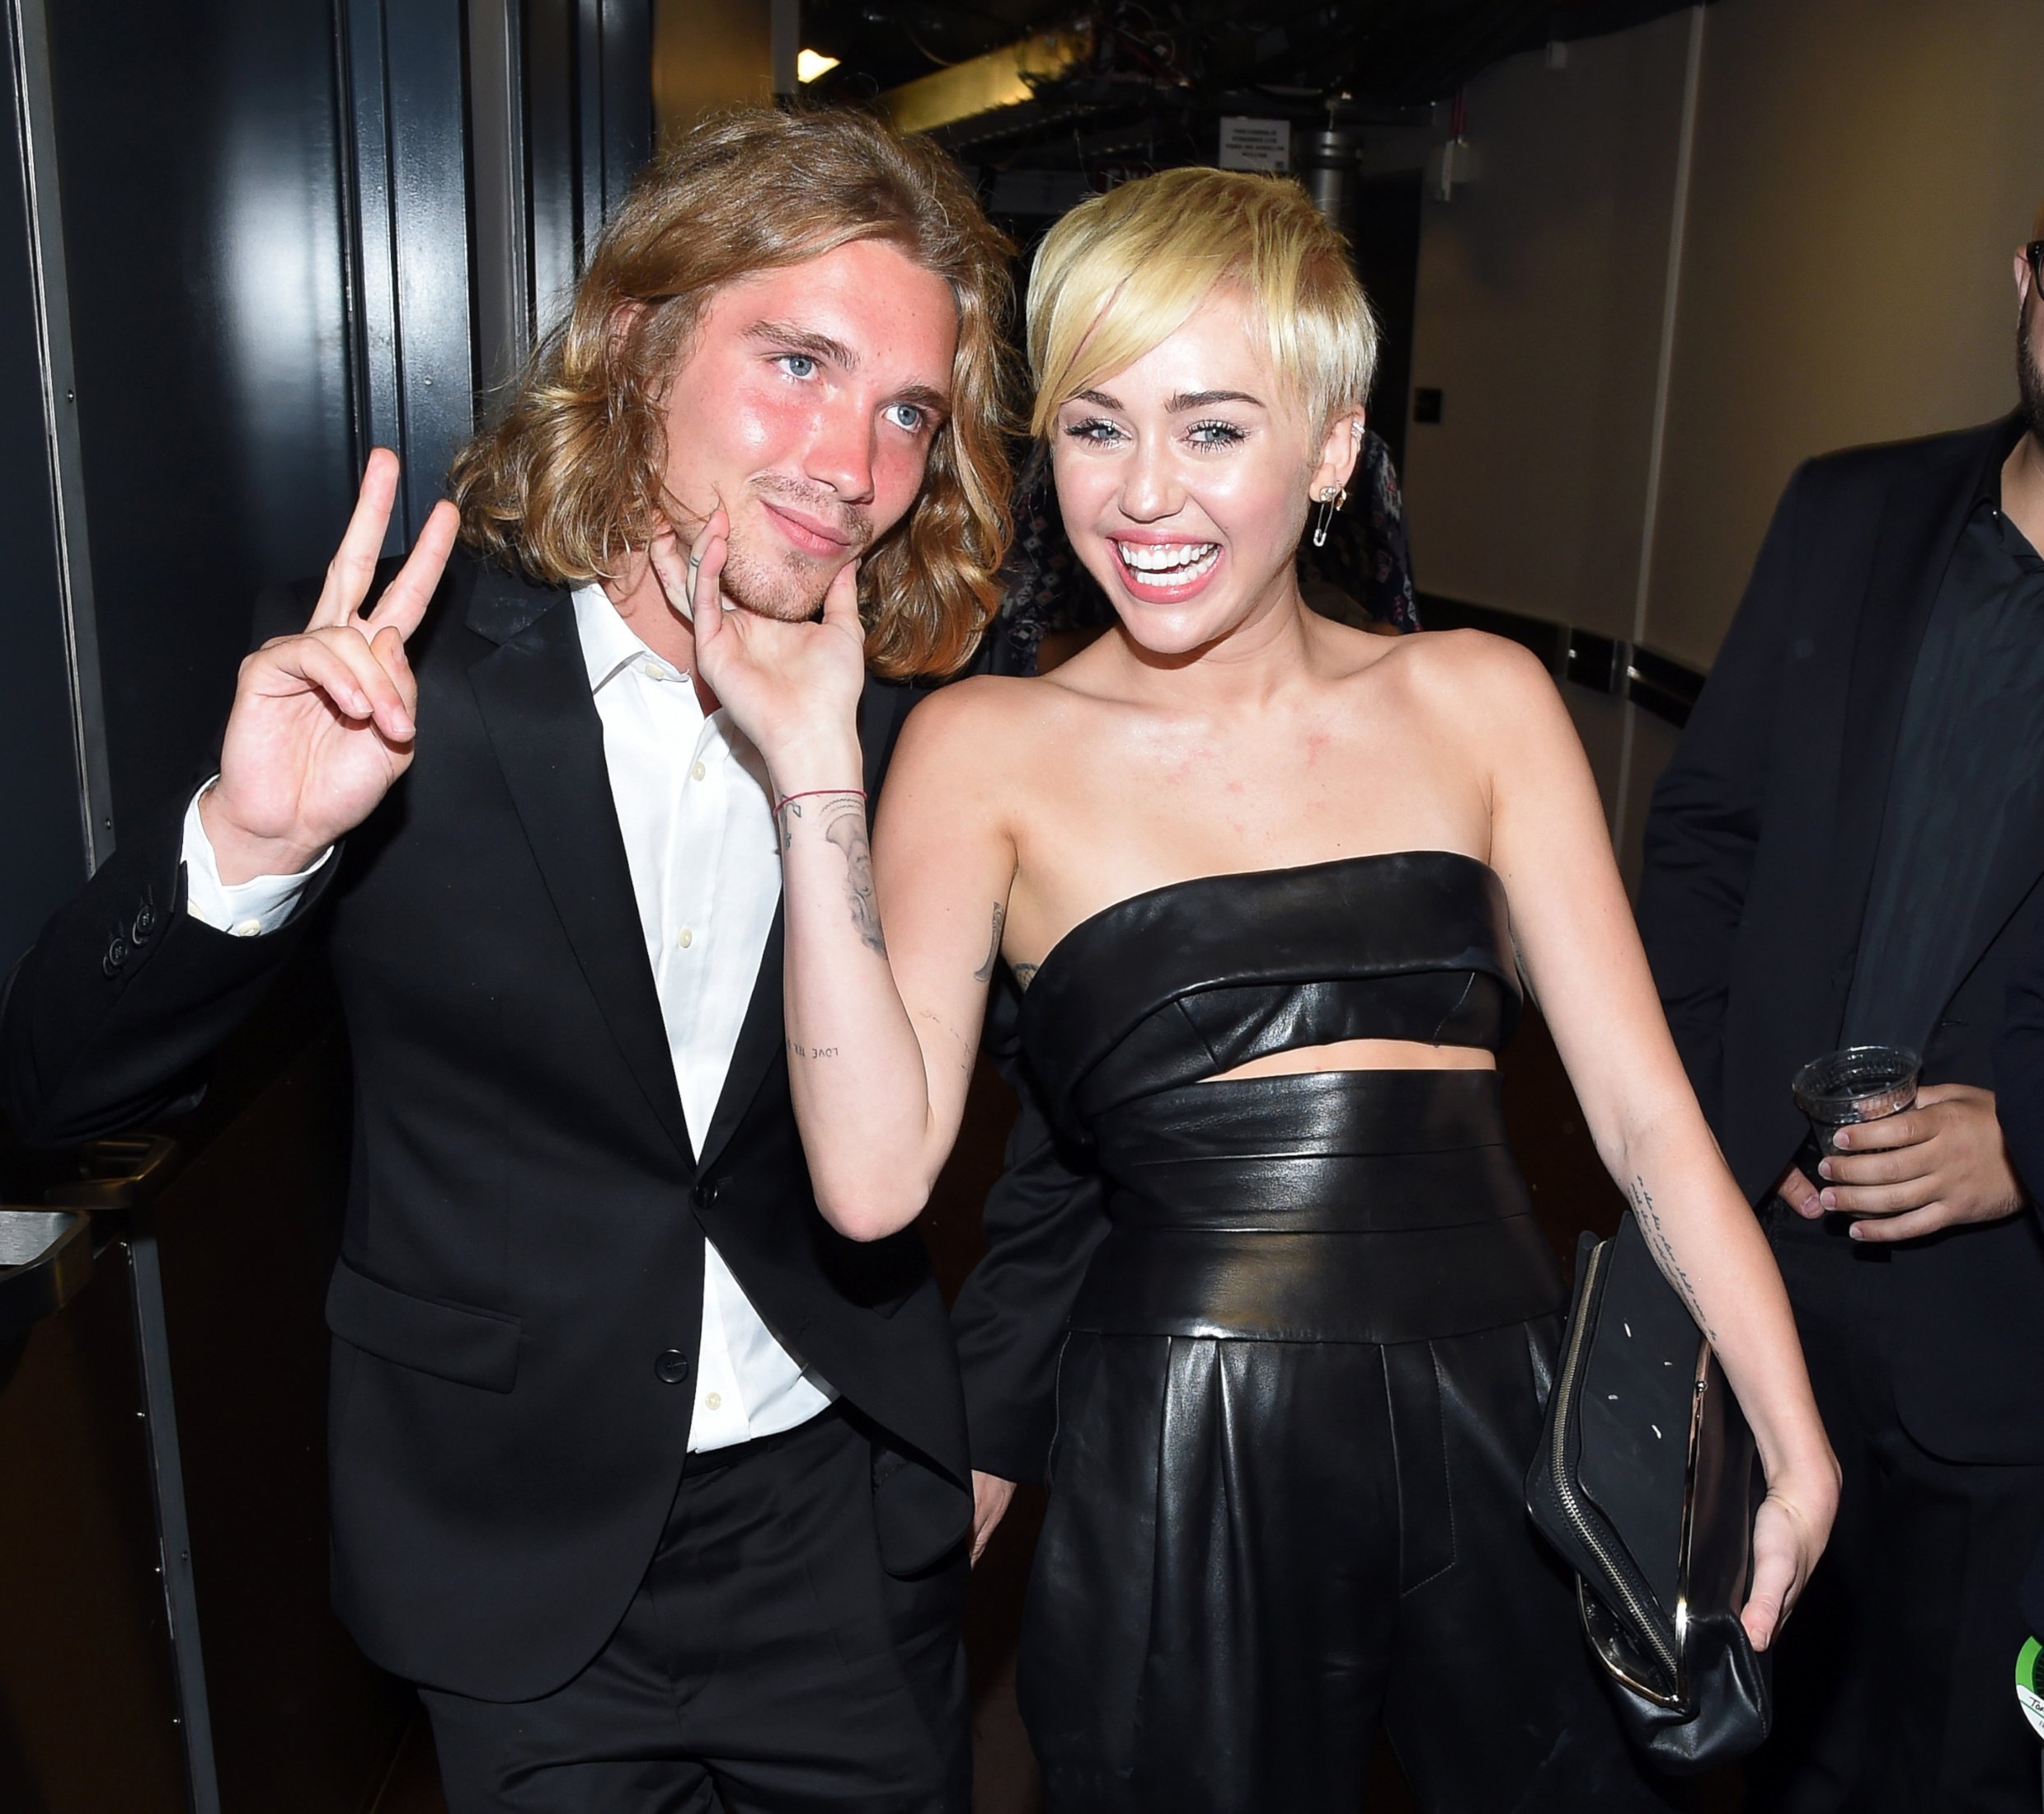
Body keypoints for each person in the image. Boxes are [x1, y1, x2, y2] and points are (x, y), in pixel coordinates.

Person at [675, 167, 1840, 1813]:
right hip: (1184, 1460)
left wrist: (1789, 1425)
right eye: (1094, 427)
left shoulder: (1481, 701)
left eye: (1213, 428)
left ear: (1336, 448)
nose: (1144, 495)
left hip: (1513, 1438)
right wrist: (812, 768)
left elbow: (1649, 1121)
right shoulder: (982, 749)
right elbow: (872, 1180)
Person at [0, 108, 1030, 1814]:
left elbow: (1074, 1129)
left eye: (908, 407)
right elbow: (48, 1090)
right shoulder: (411, 686)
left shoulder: (930, 721)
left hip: (842, 1538)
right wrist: (247, 851)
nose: (853, 458)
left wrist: (988, 1434)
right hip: (516, 1556)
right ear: (634, 343)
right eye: (794, 361)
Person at [1639, 203, 2044, 1814]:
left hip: (2012, 1347)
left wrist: (2030, 1140)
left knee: (1959, 1775)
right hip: (1771, 1281)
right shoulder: (1851, 512)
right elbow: (1705, 838)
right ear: (2028, 277)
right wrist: (1737, 1128)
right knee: (1734, 1730)